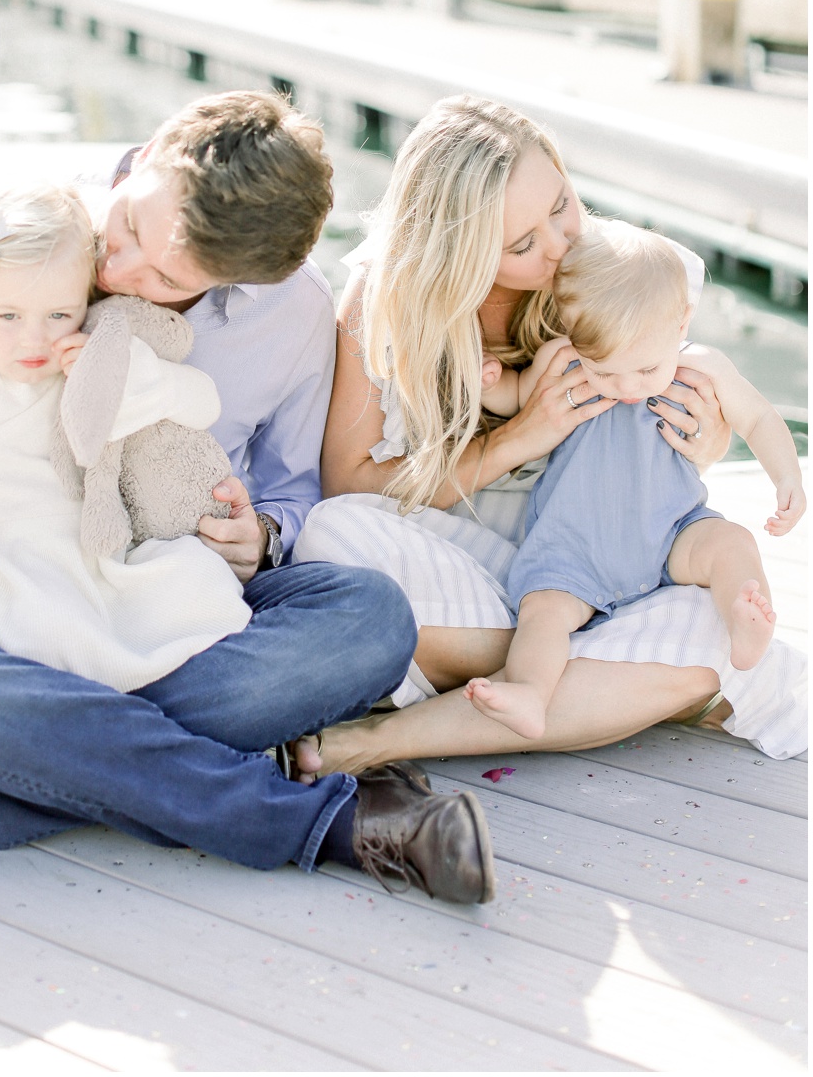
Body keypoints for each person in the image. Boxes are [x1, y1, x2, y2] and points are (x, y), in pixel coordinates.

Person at [0, 91, 495, 905]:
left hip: (173, 607)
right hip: (0, 598)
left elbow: (293, 490)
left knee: (370, 619)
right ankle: (322, 821)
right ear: (149, 153)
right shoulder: (3, 220)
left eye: (168, 278)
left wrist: (262, 534)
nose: (120, 271)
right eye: (130, 227)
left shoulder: (294, 312)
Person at [293, 95, 806, 778]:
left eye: (561, 205)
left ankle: (411, 728)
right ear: (461, 250)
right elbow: (349, 483)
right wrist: (516, 437)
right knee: (331, 535)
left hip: (619, 556)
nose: (561, 243)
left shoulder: (618, 270)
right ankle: (611, 670)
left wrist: (704, 438)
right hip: (498, 564)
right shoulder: (385, 301)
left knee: (720, 616)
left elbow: (677, 425)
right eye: (522, 244)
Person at [0, 182, 252, 690]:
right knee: (38, 628)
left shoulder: (88, 359)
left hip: (95, 553)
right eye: (8, 316)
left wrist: (150, 381)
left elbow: (204, 402)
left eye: (58, 314)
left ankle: (99, 711)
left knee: (195, 582)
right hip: (9, 555)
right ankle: (98, 706)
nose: (34, 338)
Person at [462, 220, 802, 740]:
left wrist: (787, 477)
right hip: (576, 542)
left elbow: (757, 418)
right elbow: (518, 401)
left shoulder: (702, 367)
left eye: (645, 372)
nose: (624, 387)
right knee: (544, 613)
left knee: (730, 541)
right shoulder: (564, 359)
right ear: (573, 333)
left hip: (671, 531)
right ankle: (531, 693)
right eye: (605, 371)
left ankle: (744, 621)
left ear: (682, 322)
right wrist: (491, 383)